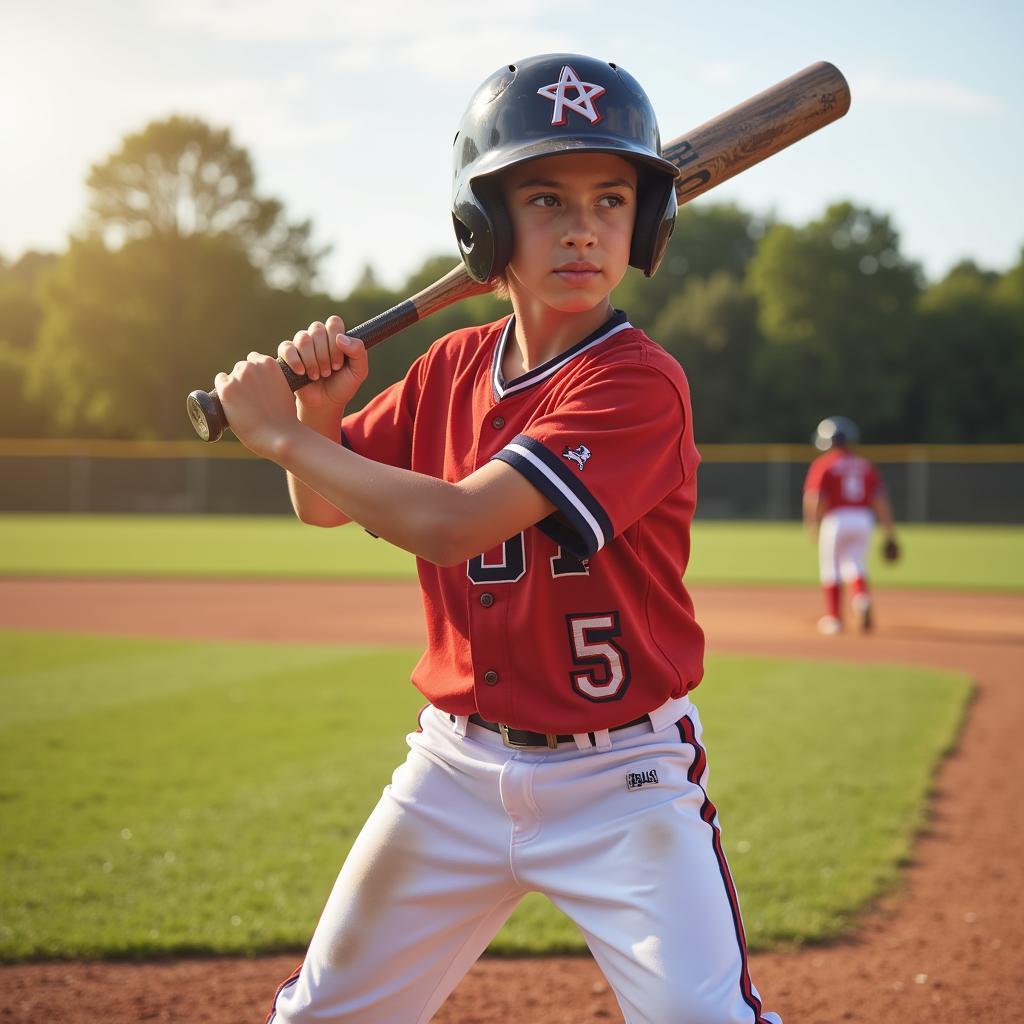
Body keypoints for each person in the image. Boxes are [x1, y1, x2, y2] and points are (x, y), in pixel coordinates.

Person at [216, 53, 781, 1024]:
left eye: (611, 199)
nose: (582, 229)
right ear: (483, 228)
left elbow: (451, 523)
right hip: (455, 771)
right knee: (322, 1016)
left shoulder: (635, 382)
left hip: (623, 781)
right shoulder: (449, 366)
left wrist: (272, 434)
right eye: (545, 199)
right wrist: (316, 419)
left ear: (646, 225)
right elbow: (323, 505)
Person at [802, 416, 899, 635]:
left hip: (836, 519)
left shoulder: (825, 463)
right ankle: (861, 598)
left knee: (831, 568)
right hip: (863, 519)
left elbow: (814, 497)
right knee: (855, 564)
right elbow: (880, 499)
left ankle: (834, 619)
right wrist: (888, 530)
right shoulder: (865, 465)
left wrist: (812, 524)